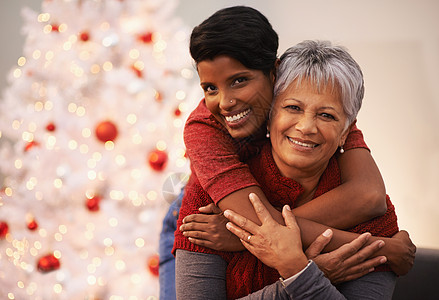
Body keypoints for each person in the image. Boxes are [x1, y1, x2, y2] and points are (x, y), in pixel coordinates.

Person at [159, 5, 411, 299]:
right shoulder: (204, 135)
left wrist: (260, 244)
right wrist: (311, 272)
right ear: (278, 103)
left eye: (327, 116)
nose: (225, 102)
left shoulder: (320, 112)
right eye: (293, 108)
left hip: (243, 218)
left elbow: (368, 195)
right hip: (217, 205)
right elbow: (259, 225)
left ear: (274, 75)